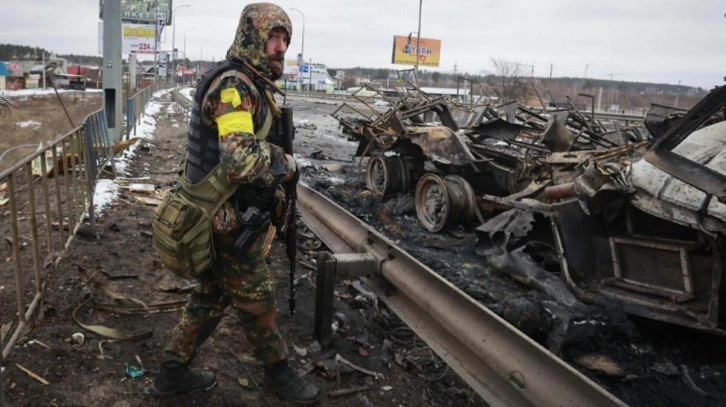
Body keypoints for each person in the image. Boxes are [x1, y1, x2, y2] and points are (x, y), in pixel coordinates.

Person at [151, 3, 321, 405]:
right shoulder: (234, 88)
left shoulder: (252, 82)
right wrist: (288, 163)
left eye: (285, 40)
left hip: (224, 212)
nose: (280, 47)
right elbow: (240, 158)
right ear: (251, 37)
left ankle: (170, 373)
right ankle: (280, 373)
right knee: (256, 296)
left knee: (213, 293)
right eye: (272, 38)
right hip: (221, 217)